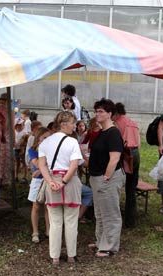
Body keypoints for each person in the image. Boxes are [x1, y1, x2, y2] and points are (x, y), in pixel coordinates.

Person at [38, 111, 83, 265]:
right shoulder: (72, 142)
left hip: (52, 182)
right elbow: (74, 165)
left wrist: (50, 181)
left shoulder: (45, 143)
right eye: (72, 123)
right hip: (69, 183)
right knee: (71, 221)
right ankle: (71, 255)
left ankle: (54, 256)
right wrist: (63, 182)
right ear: (64, 124)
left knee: (55, 221)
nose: (74, 126)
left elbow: (42, 165)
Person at [88, 98, 125, 257]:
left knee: (110, 213)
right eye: (96, 111)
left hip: (107, 179)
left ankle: (109, 246)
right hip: (97, 178)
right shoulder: (101, 132)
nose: (98, 114)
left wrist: (106, 177)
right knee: (100, 212)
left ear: (110, 114)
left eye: (101, 111)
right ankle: (100, 241)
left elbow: (115, 158)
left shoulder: (113, 133)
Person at [114, 102, 140, 229]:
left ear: (116, 113)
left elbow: (118, 143)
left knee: (114, 185)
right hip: (136, 154)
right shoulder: (133, 122)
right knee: (131, 188)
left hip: (125, 154)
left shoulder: (118, 123)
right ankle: (131, 221)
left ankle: (115, 218)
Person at [28, 127, 51, 243]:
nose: (47, 140)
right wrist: (43, 168)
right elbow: (37, 163)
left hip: (48, 179)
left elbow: (41, 168)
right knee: (36, 206)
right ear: (38, 139)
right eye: (45, 138)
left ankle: (48, 230)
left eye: (49, 138)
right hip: (38, 181)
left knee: (48, 206)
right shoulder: (32, 150)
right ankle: (35, 232)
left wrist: (40, 170)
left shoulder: (51, 150)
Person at [0, 93, 14, 186]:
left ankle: (0, 180)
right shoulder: (9, 112)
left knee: (1, 159)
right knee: (4, 159)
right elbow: (11, 128)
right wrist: (13, 140)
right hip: (4, 138)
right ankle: (3, 180)